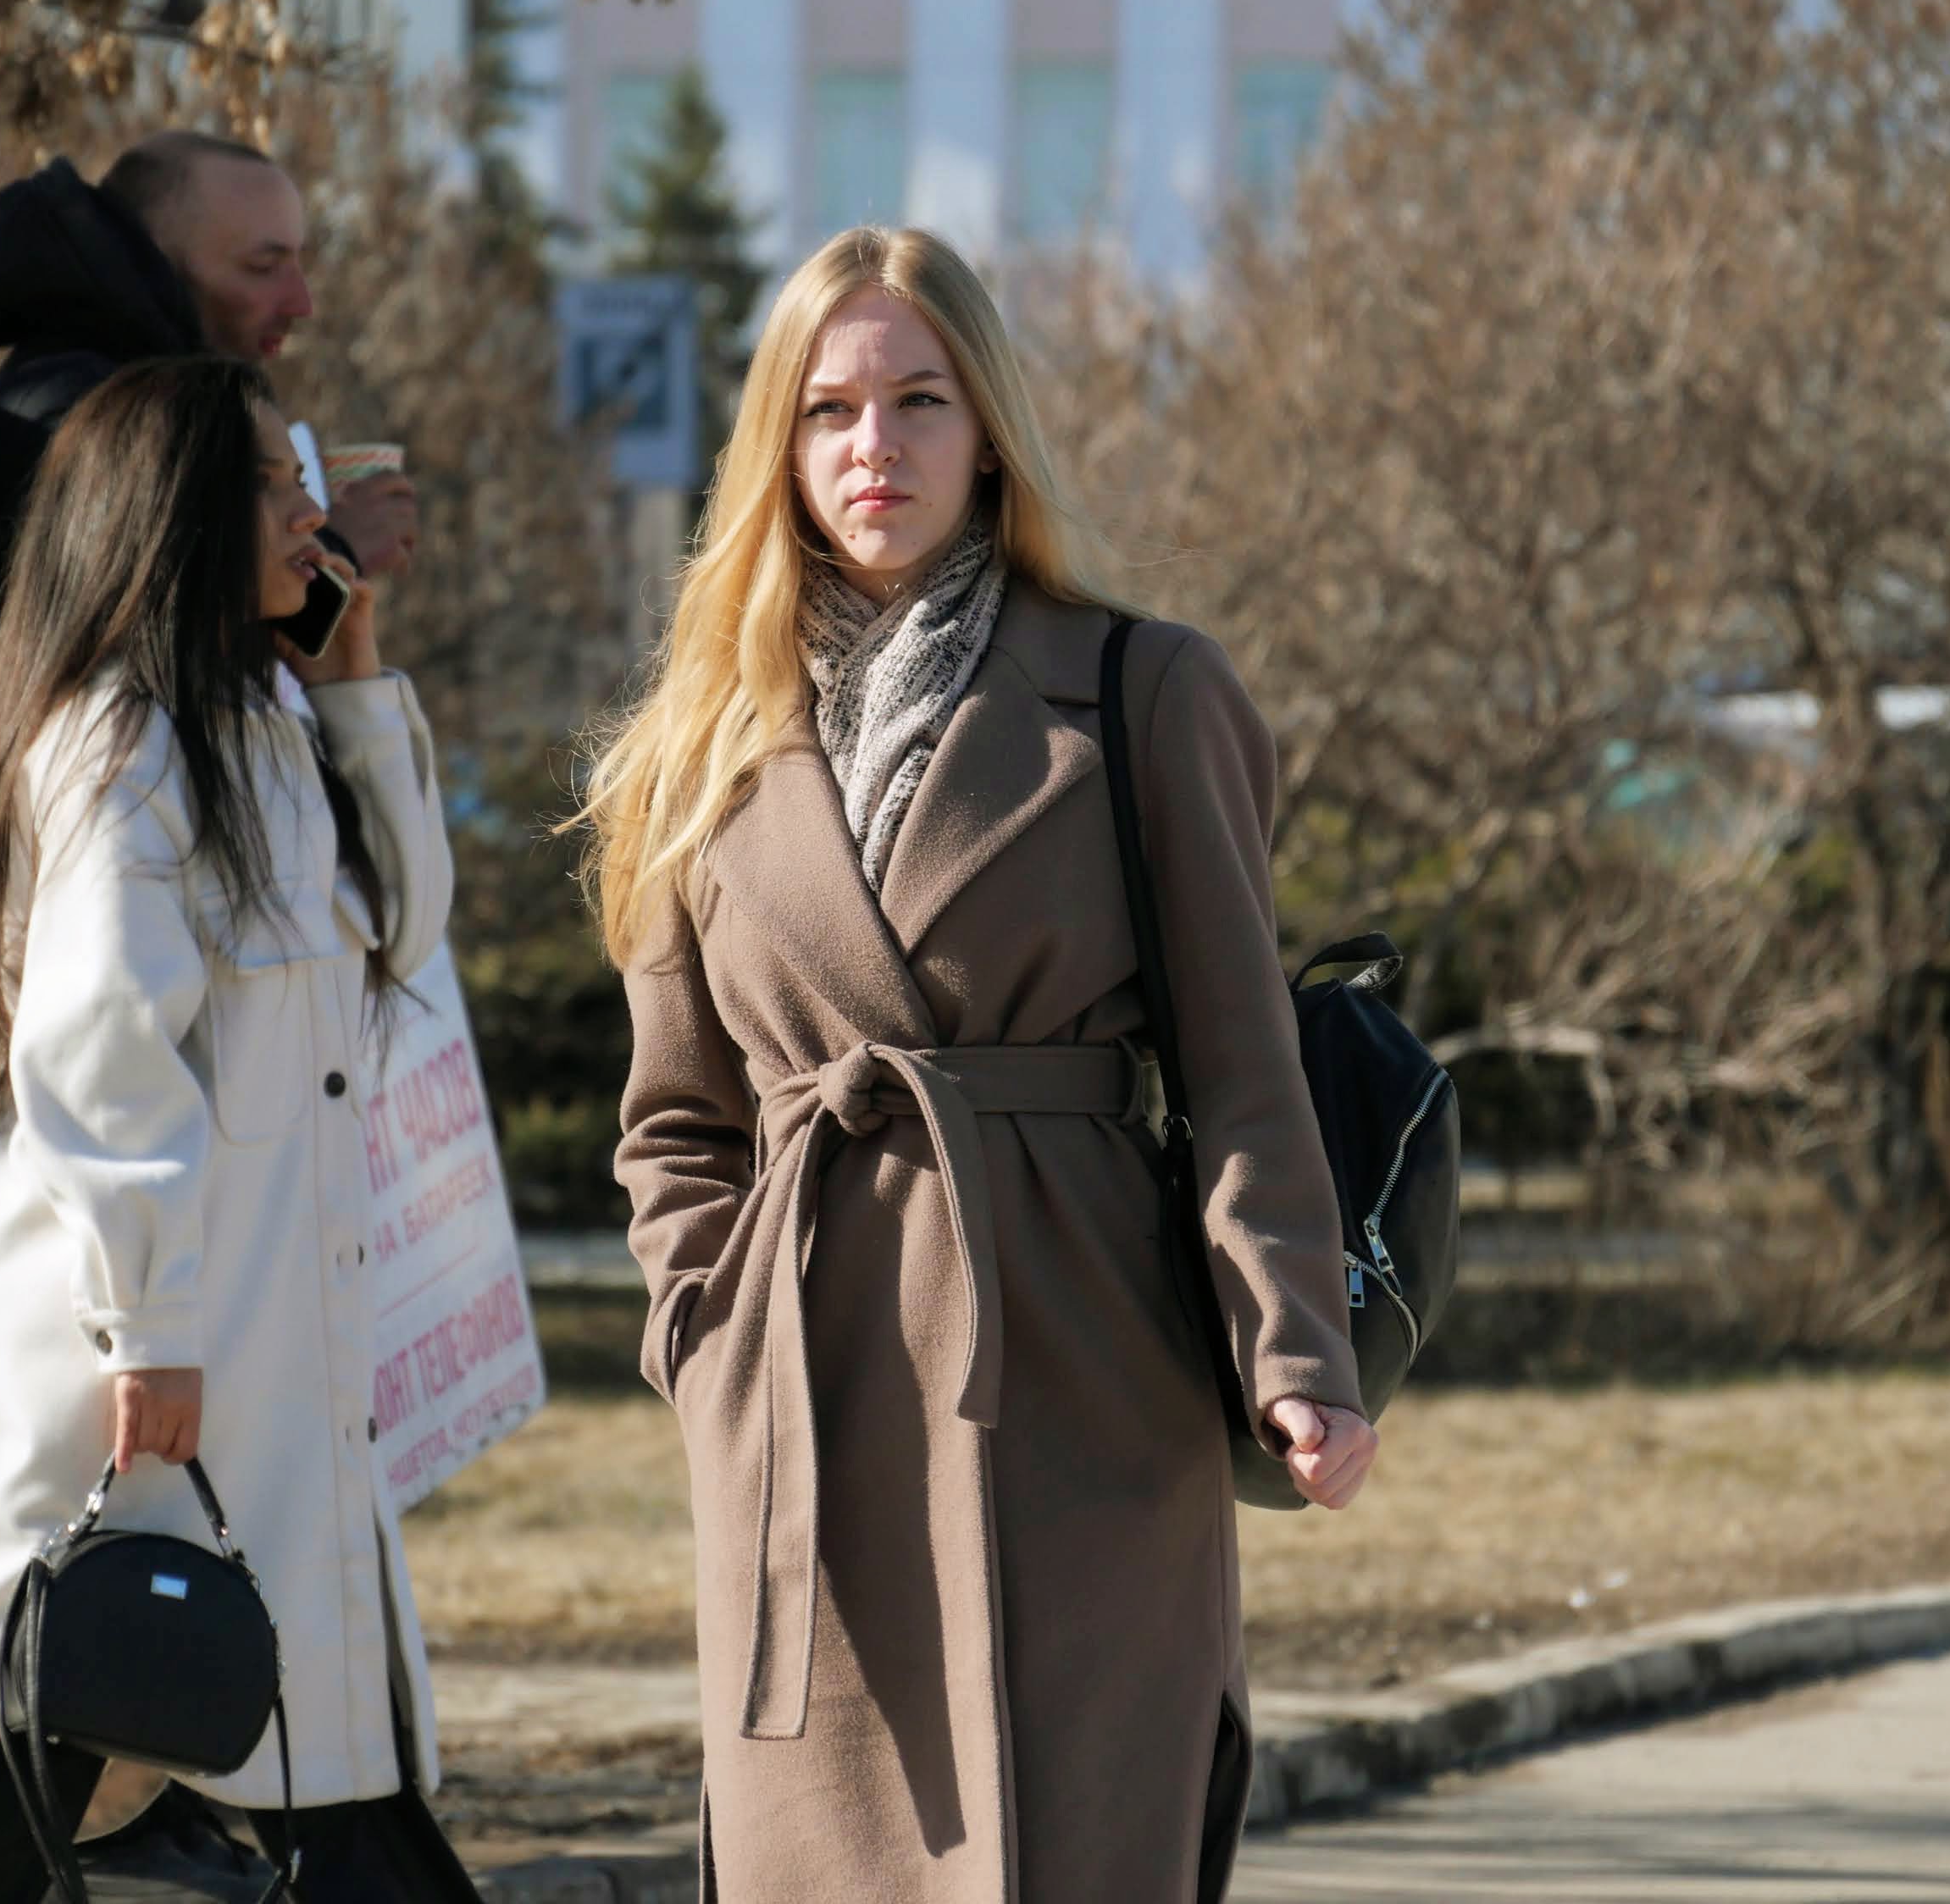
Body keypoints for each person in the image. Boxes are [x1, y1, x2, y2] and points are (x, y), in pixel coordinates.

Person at [578, 226, 1380, 1904]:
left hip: (1086, 1371)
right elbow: (674, 1125)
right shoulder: (691, 743)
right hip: (808, 1400)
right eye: (829, 410)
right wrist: (709, 1341)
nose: (872, 446)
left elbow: (1241, 1067)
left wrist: (1293, 1345)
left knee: (1079, 1839)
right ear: (778, 445)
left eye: (918, 401)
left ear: (990, 429)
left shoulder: (1140, 690)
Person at [0, 357, 474, 1903]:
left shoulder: (258, 721)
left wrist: (354, 676)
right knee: (3, 1752)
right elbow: (96, 1049)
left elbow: (405, 925)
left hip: (268, 1372)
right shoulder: (120, 743)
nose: (311, 510)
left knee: (274, 1768)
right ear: (168, 515)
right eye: (273, 481)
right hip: (158, 1371)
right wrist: (151, 1330)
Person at [0, 130, 419, 701]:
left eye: (298, 263)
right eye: (263, 267)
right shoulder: (78, 409)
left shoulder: (114, 386)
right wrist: (337, 552)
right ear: (155, 256)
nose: (301, 302)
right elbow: (147, 623)